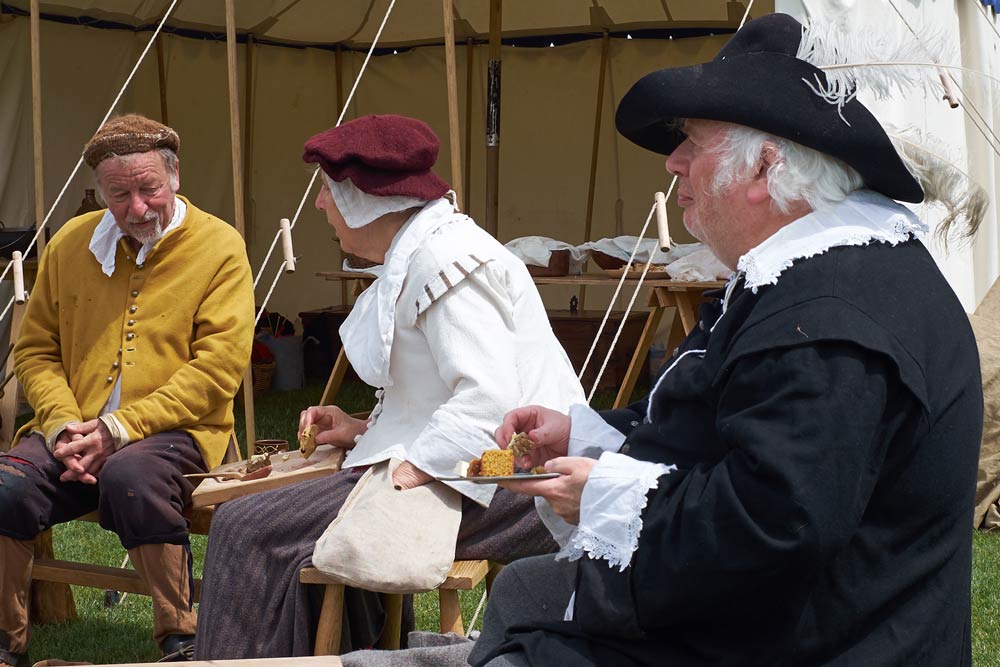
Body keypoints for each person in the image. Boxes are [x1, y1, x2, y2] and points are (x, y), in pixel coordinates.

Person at [338, 13, 984, 667]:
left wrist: (604, 490)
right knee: (531, 591)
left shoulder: (830, 316)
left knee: (525, 621)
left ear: (763, 167)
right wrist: (588, 436)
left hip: (819, 643)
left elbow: (772, 525)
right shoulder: (816, 277)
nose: (673, 162)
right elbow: (730, 432)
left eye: (693, 144)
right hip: (784, 622)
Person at [194, 114, 585, 659]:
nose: (320, 205)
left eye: (329, 191)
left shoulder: (449, 263)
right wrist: (361, 433)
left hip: (508, 483)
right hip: (474, 466)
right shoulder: (424, 251)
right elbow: (440, 394)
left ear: (363, 199)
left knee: (245, 526)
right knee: (274, 515)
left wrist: (400, 471)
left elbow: (487, 399)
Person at [0, 114, 255, 666]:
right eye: (119, 195)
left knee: (131, 476)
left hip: (176, 434)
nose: (137, 208)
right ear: (101, 192)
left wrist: (118, 429)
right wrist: (66, 424)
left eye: (150, 189)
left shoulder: (220, 247)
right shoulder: (71, 243)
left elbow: (217, 371)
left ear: (176, 177)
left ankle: (181, 640)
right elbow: (36, 350)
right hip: (71, 431)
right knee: (6, 485)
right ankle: (6, 647)